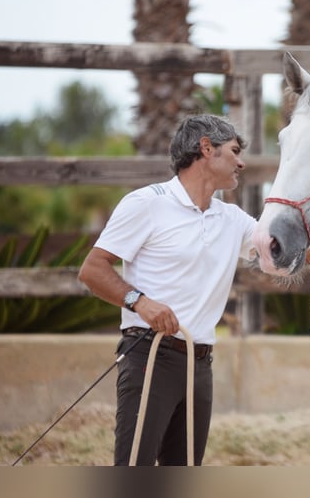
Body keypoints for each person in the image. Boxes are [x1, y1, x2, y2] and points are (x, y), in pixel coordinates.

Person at [78, 114, 257, 466]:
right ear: (206, 148)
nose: (241, 162)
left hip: (200, 363)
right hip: (149, 356)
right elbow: (92, 269)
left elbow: (290, 250)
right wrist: (140, 302)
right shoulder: (147, 203)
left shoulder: (233, 218)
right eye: (234, 151)